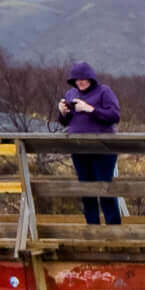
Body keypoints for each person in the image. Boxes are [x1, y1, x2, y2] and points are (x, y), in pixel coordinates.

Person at [55, 61, 121, 227]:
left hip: (103, 149)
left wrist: (89, 109)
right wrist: (62, 113)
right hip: (78, 148)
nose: (80, 82)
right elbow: (66, 122)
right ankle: (92, 227)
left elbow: (114, 115)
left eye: (84, 78)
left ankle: (114, 227)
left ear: (91, 78)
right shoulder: (70, 93)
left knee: (104, 188)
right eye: (77, 79)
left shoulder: (104, 91)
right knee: (86, 190)